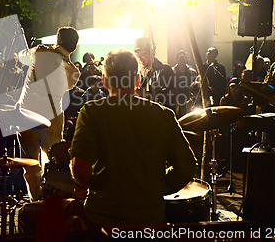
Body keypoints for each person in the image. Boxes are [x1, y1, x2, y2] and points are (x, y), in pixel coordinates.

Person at [70, 48, 197, 227]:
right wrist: (158, 187)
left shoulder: (92, 112)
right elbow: (187, 166)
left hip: (103, 219)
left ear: (105, 81)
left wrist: (84, 184)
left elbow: (81, 171)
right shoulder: (163, 115)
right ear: (137, 80)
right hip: (150, 218)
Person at [19, 26, 80, 200]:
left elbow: (22, 57)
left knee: (30, 163)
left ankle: (34, 199)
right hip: (52, 118)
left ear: (57, 40)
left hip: (28, 115)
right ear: (75, 47)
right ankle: (49, 200)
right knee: (53, 162)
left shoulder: (38, 52)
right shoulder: (73, 72)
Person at [134, 37, 175, 110]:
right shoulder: (141, 73)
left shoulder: (164, 70)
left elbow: (168, 98)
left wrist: (146, 95)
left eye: (142, 54)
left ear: (152, 52)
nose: (140, 58)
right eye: (138, 56)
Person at [173, 50, 198, 117]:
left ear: (186, 59)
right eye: (179, 58)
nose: (181, 60)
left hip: (188, 98)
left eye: (183, 58)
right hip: (175, 98)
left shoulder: (192, 72)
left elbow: (195, 85)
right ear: (177, 59)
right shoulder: (172, 72)